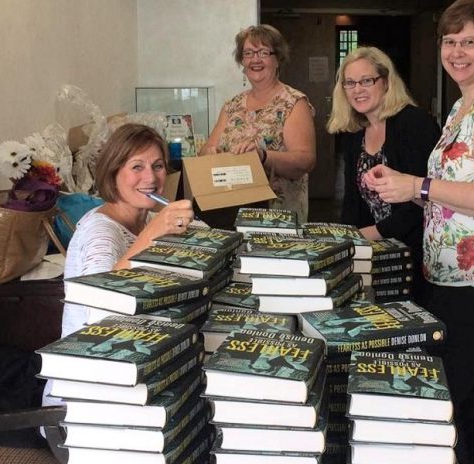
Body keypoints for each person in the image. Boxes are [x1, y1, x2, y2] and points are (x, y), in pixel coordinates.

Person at [362, 1, 474, 462]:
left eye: (469, 42)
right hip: (456, 275)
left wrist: (418, 184)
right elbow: (461, 188)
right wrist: (408, 192)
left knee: (467, 396)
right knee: (465, 390)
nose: (457, 51)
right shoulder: (466, 102)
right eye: (449, 41)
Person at [42, 123, 196, 407]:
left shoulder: (147, 220)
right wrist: (154, 234)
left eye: (158, 166)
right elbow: (100, 304)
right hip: (87, 399)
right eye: (137, 167)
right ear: (113, 174)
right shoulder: (100, 230)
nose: (150, 177)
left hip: (135, 368)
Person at [327, 46, 440, 304]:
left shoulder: (414, 123)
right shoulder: (355, 131)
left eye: (367, 80)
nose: (358, 89)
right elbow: (353, 202)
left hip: (420, 254)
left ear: (386, 82)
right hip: (381, 252)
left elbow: (424, 203)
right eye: (350, 83)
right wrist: (346, 244)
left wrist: (366, 234)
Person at [202, 24, 316, 223]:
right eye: (248, 53)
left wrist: (263, 156)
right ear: (242, 61)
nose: (255, 59)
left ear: (277, 58)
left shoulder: (294, 103)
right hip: (230, 212)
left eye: (263, 52)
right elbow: (205, 151)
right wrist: (212, 153)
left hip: (277, 217)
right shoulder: (232, 106)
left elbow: (305, 161)